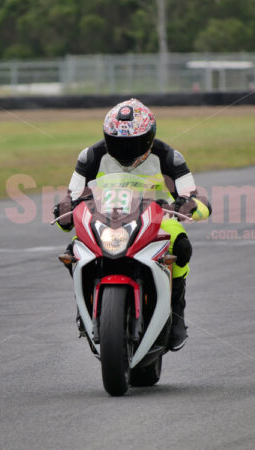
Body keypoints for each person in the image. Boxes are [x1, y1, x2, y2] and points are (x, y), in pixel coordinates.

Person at [53, 98, 211, 351]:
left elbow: (195, 197)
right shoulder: (90, 156)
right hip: (105, 217)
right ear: (107, 138)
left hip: (157, 218)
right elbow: (71, 196)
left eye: (133, 143)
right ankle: (84, 310)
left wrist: (188, 205)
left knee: (181, 247)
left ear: (149, 137)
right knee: (74, 252)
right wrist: (65, 211)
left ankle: (177, 313)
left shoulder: (169, 156)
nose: (126, 150)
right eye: (118, 143)